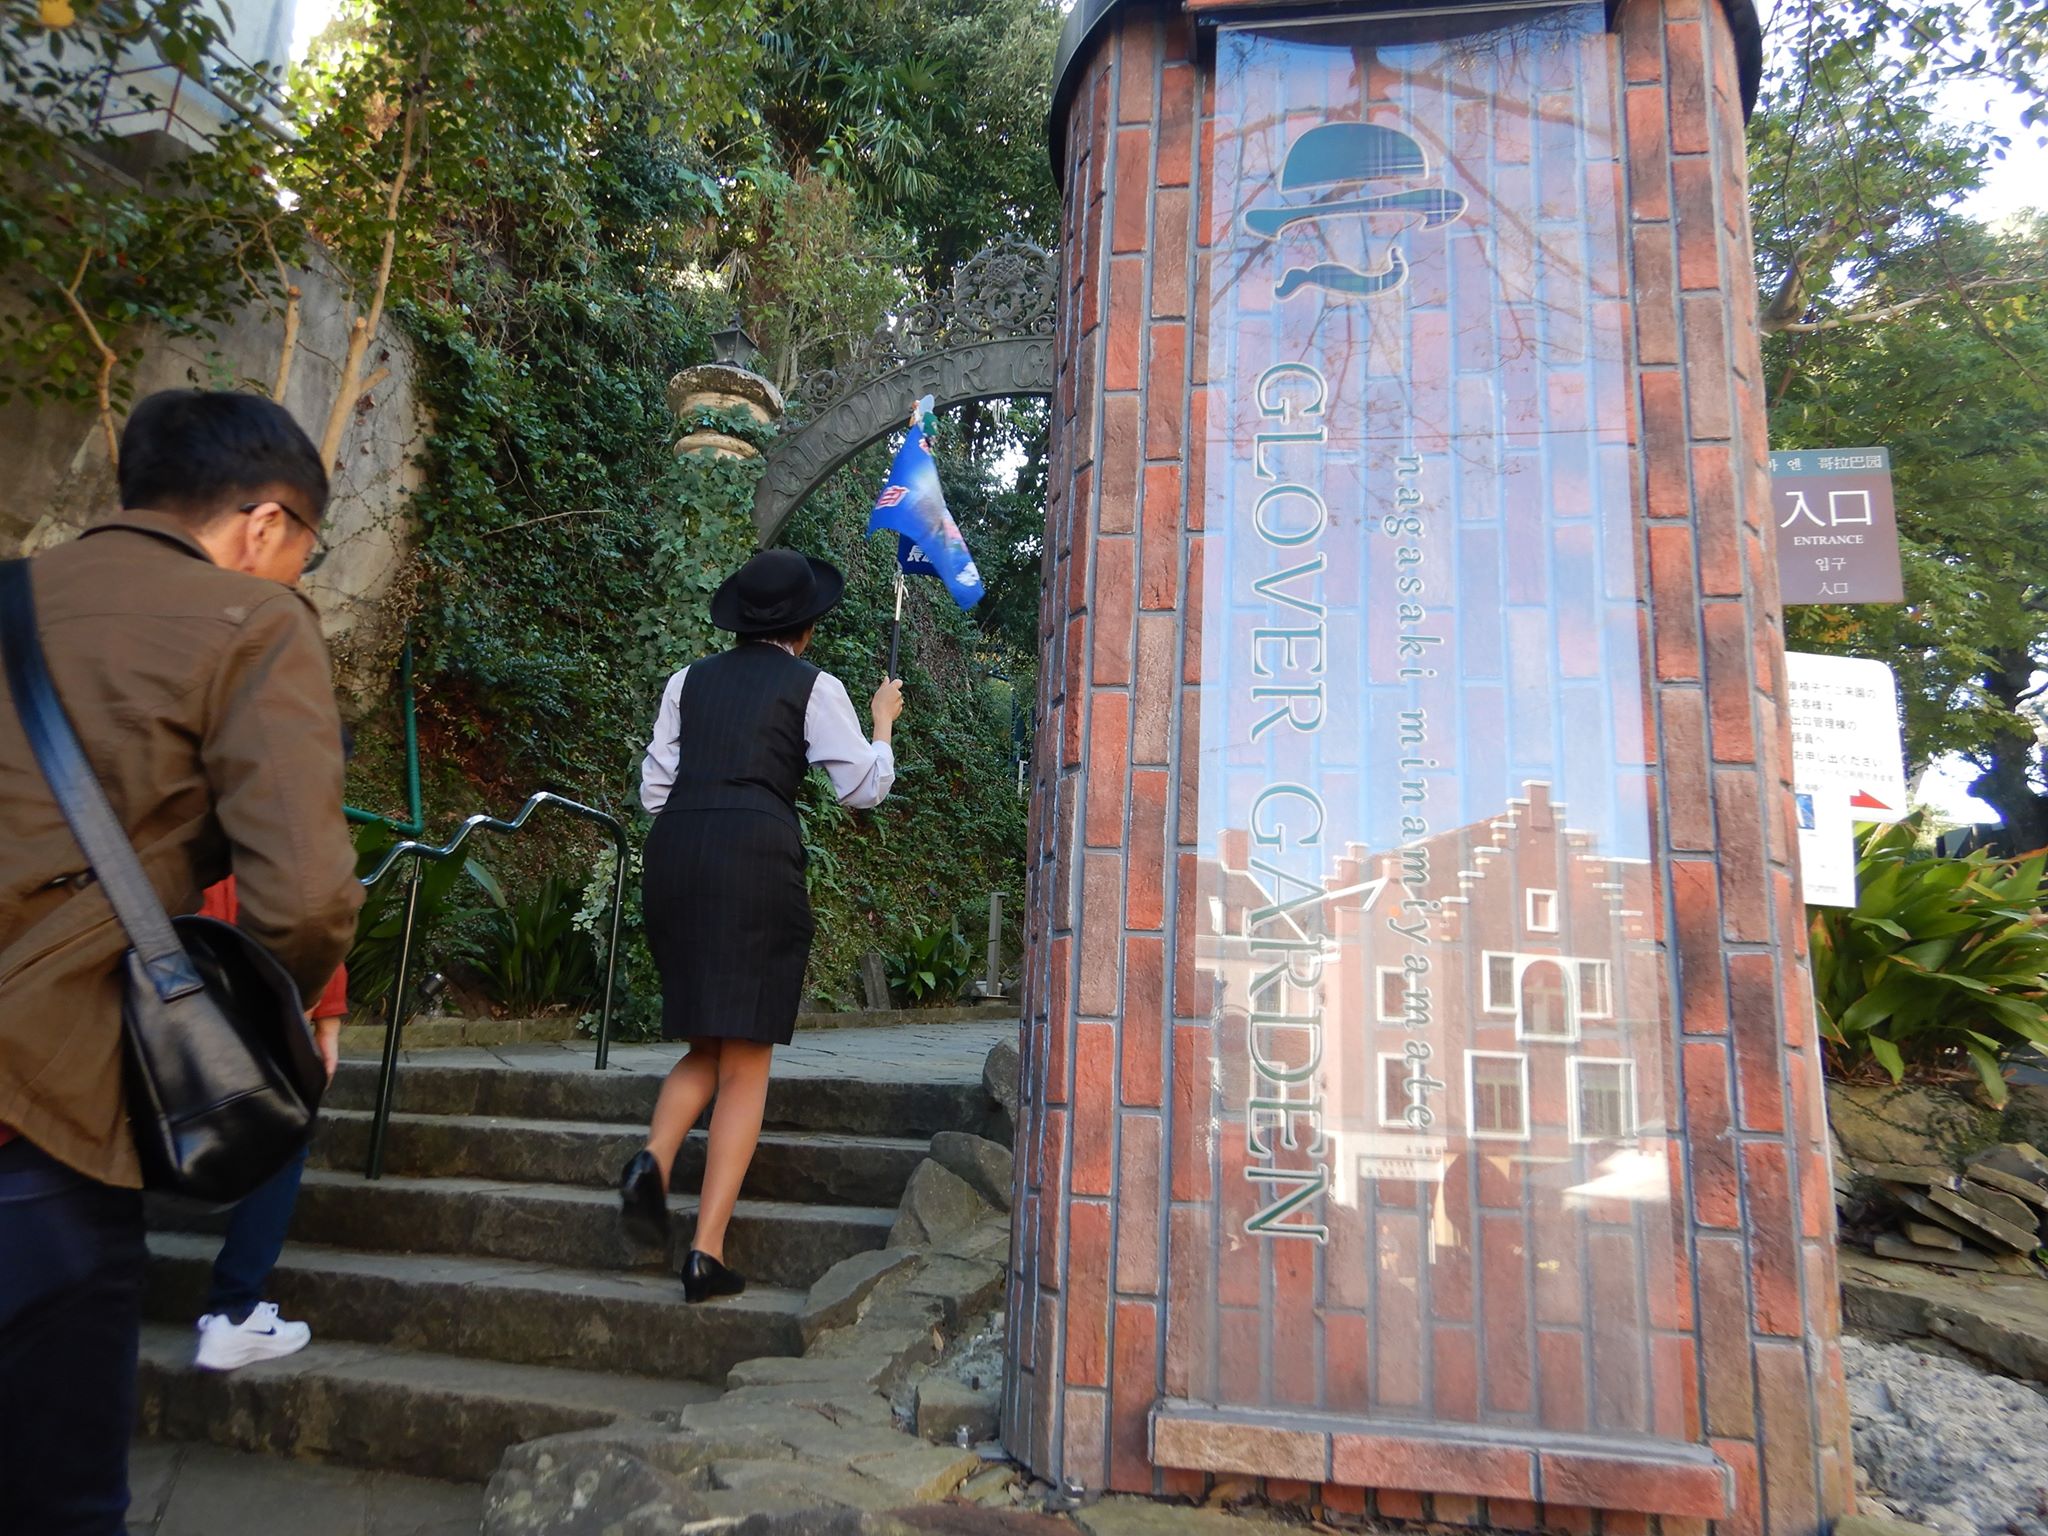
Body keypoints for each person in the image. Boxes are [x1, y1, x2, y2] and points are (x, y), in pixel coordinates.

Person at [0, 390, 362, 1535]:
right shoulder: (251, 621)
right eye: (307, 550)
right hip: (41, 1109)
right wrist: (236, 1031)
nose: (299, 574)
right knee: (57, 1496)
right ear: (264, 525)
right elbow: (304, 898)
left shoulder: (14, 595)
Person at [621, 547, 903, 1302]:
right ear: (805, 628)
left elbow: (655, 790)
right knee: (746, 1060)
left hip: (676, 853)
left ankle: (653, 1158)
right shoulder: (814, 687)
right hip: (753, 856)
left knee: (706, 1043)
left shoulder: (687, 681)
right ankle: (705, 1253)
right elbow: (861, 788)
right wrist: (882, 724)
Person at [189, 875, 350, 1371]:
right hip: (240, 1003)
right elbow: (312, 900)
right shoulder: (253, 832)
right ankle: (235, 1309)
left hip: (133, 996)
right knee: (281, 1137)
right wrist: (326, 1018)